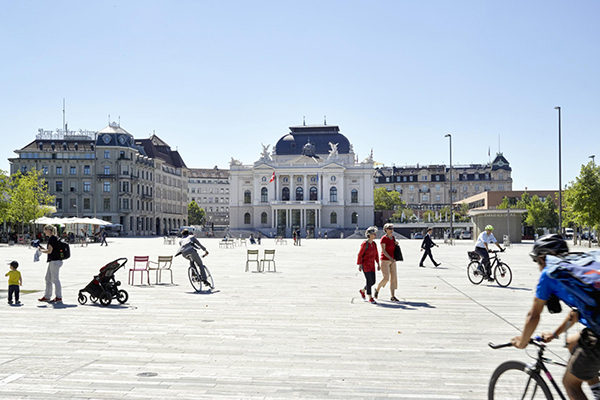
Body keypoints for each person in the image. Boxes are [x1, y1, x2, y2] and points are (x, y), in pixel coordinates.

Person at [511, 234, 600, 400]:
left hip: (597, 335)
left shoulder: (550, 273)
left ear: (543, 259)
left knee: (570, 384)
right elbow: (576, 312)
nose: (538, 266)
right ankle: (597, 391)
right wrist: (555, 334)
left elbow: (533, 315)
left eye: (537, 261)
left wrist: (522, 342)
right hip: (595, 327)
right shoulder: (578, 267)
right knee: (572, 342)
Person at [38, 224, 63, 303]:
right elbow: (51, 249)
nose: (44, 232)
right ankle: (47, 296)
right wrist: (43, 249)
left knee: (55, 280)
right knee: (48, 278)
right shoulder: (54, 238)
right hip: (54, 261)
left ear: (49, 230)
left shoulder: (52, 239)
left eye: (45, 230)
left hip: (55, 261)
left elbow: (49, 251)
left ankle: (59, 297)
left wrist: (41, 251)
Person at [375, 223, 399, 302]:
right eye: (390, 228)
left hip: (393, 260)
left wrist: (396, 244)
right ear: (386, 229)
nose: (392, 230)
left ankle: (392, 296)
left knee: (393, 278)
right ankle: (377, 289)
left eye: (392, 228)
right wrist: (390, 258)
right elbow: (383, 250)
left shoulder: (393, 238)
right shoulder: (384, 238)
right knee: (386, 278)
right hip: (385, 260)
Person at [357, 226, 380, 304]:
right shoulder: (364, 244)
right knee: (369, 280)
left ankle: (362, 291)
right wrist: (360, 264)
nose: (375, 235)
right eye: (374, 234)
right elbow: (360, 255)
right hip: (365, 265)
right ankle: (370, 297)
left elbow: (376, 254)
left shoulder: (374, 244)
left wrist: (378, 263)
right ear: (369, 235)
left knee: (373, 281)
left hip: (372, 265)